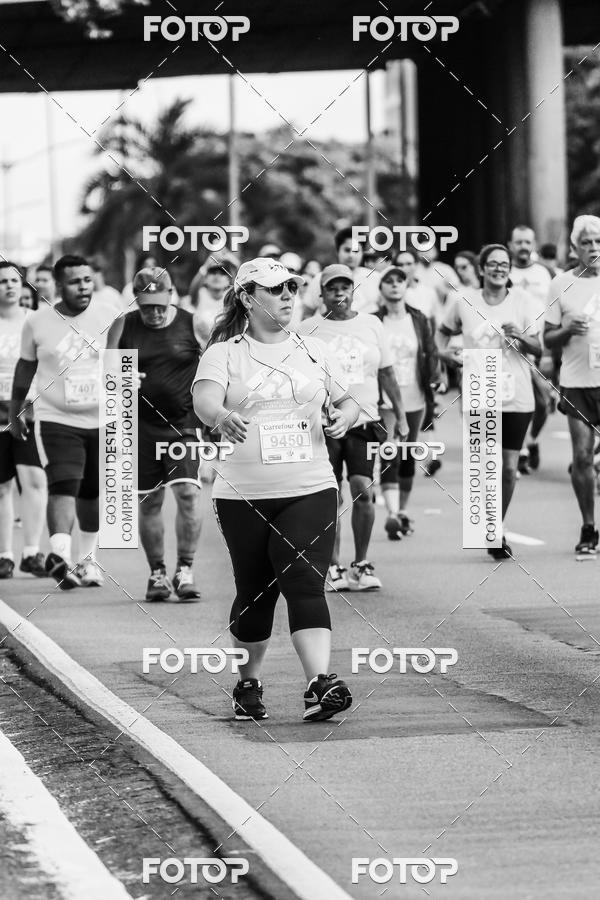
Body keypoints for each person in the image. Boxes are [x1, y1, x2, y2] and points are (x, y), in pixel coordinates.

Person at [192, 257, 359, 722]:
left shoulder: (313, 349)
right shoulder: (225, 353)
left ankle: (319, 683)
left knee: (304, 579)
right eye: (275, 289)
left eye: (291, 286)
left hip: (310, 485)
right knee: (255, 591)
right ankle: (248, 682)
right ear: (248, 298)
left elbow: (346, 399)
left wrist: (344, 416)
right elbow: (204, 399)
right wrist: (222, 416)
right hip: (242, 492)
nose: (288, 295)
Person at [10, 255, 121, 588]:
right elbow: (25, 367)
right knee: (63, 482)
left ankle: (88, 560)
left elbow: (120, 360)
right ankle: (60, 555)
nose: (83, 287)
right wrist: (18, 410)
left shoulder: (109, 315)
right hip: (56, 417)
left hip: (102, 419)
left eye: (87, 280)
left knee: (91, 494)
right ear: (59, 285)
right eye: (75, 282)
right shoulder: (38, 322)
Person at [298, 264, 407, 588]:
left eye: (345, 287)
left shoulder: (371, 324)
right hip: (325, 421)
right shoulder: (307, 328)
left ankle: (361, 563)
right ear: (322, 294)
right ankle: (332, 566)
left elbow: (387, 372)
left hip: (364, 419)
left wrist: (400, 416)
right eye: (332, 288)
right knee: (330, 495)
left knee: (362, 488)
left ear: (353, 291)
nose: (339, 293)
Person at [437, 244, 542, 559]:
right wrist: (445, 355)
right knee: (486, 466)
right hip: (480, 391)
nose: (499, 268)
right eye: (493, 264)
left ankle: (497, 525)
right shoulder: (463, 302)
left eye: (504, 264)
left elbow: (538, 348)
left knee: (508, 468)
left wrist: (520, 336)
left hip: (517, 396)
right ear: (481, 269)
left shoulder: (523, 301)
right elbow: (440, 336)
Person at [106, 268, 204, 601]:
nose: (155, 312)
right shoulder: (124, 324)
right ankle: (158, 574)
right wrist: (121, 381)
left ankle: (185, 569)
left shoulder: (194, 324)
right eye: (147, 306)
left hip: (183, 424)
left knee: (188, 494)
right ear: (136, 299)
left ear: (172, 294)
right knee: (149, 500)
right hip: (141, 427)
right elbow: (107, 373)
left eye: (160, 305)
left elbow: (218, 367)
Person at [544, 215, 600, 558]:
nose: (593, 248)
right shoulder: (560, 284)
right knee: (581, 456)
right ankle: (589, 527)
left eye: (598, 241)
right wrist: (567, 329)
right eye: (587, 243)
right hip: (577, 381)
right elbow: (547, 338)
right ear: (575, 248)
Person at [375, 265, 439, 539]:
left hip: (416, 395)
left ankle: (401, 511)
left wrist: (436, 377)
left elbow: (430, 350)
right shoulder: (374, 321)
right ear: (381, 289)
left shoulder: (418, 319)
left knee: (409, 453)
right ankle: (390, 513)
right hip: (385, 400)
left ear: (406, 287)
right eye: (388, 282)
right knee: (390, 451)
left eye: (399, 281)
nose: (394, 285)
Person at [0, 262, 47, 579]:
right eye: (2, 281)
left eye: (14, 280)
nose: (9, 286)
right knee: (1, 486)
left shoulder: (35, 322)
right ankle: (4, 555)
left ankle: (31, 552)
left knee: (34, 480)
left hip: (29, 409)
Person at [508, 226, 553, 475]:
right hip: (514, 347)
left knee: (544, 404)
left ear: (534, 244)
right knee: (516, 402)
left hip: (540, 346)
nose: (523, 246)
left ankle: (532, 440)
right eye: (518, 242)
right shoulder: (504, 269)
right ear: (511, 244)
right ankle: (520, 451)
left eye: (527, 242)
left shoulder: (545, 273)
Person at [302, 226, 381, 317]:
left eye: (356, 251)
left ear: (362, 253)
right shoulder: (320, 279)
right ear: (337, 251)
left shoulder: (375, 278)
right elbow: (307, 314)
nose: (351, 255)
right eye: (347, 250)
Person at [183, 261, 232, 348]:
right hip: (199, 352)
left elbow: (241, 286)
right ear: (205, 279)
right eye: (213, 272)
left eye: (222, 273)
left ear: (228, 280)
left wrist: (232, 260)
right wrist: (206, 264)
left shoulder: (230, 298)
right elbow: (193, 288)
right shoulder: (199, 294)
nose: (217, 276)